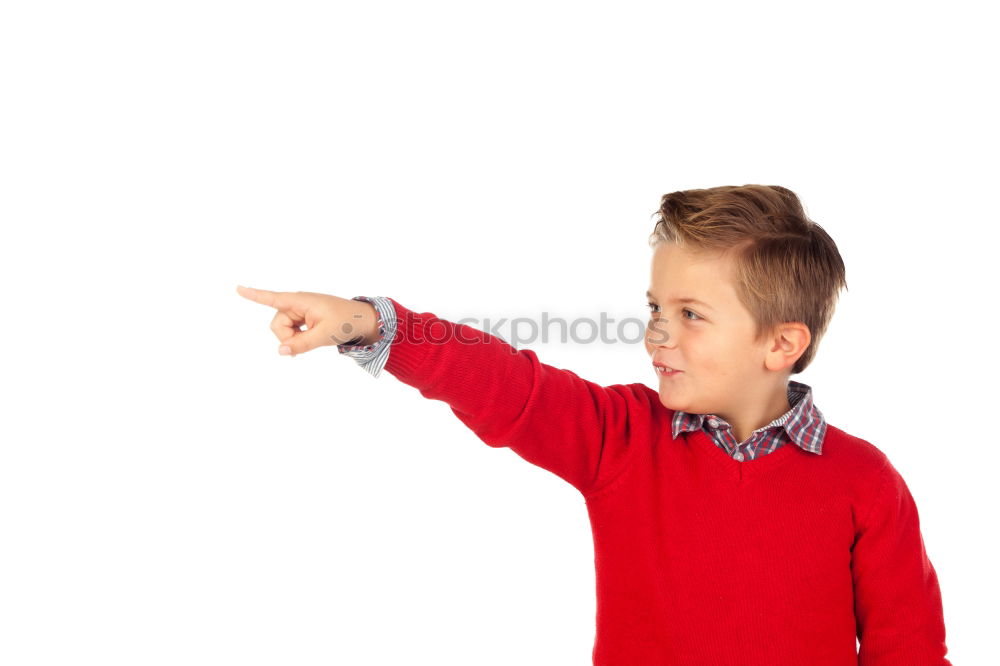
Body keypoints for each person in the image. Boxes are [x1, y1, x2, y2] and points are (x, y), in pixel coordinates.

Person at [236, 184, 951, 665]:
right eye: (655, 310)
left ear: (781, 344)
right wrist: (369, 323)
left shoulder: (864, 482)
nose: (657, 336)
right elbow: (507, 384)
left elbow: (909, 651)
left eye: (691, 315)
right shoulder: (623, 437)